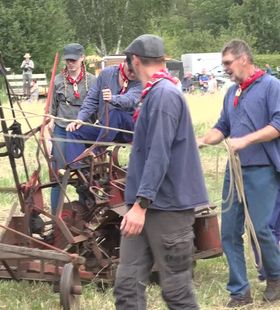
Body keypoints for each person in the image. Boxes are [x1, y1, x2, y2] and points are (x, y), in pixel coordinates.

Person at [113, 34, 208, 310]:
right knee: (127, 287)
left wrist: (141, 204)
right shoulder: (154, 93)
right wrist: (138, 205)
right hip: (143, 207)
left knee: (177, 292)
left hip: (166, 209)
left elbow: (159, 153)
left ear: (136, 61)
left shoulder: (164, 95)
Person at [198, 39, 280, 307]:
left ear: (244, 59)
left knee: (261, 229)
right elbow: (222, 126)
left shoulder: (272, 86)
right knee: (229, 233)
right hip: (235, 172)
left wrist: (244, 141)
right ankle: (239, 292)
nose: (225, 69)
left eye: (227, 63)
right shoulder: (231, 91)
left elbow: (278, 125)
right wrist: (200, 140)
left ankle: (276, 278)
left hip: (263, 169)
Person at [48, 43, 96, 215]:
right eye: (68, 60)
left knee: (86, 175)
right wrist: (48, 139)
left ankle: (87, 212)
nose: (71, 63)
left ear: (82, 58)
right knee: (58, 177)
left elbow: (98, 112)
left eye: (74, 60)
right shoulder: (58, 81)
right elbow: (51, 113)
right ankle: (56, 218)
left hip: (83, 133)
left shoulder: (92, 81)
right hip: (61, 131)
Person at [64, 59, 141, 163]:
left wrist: (112, 98)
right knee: (74, 130)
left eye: (136, 71)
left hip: (128, 130)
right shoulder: (106, 74)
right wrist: (80, 118)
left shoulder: (141, 80)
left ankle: (95, 153)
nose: (133, 74)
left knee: (115, 113)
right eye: (130, 70)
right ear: (124, 62)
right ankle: (76, 169)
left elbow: (130, 99)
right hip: (105, 128)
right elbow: (91, 99)